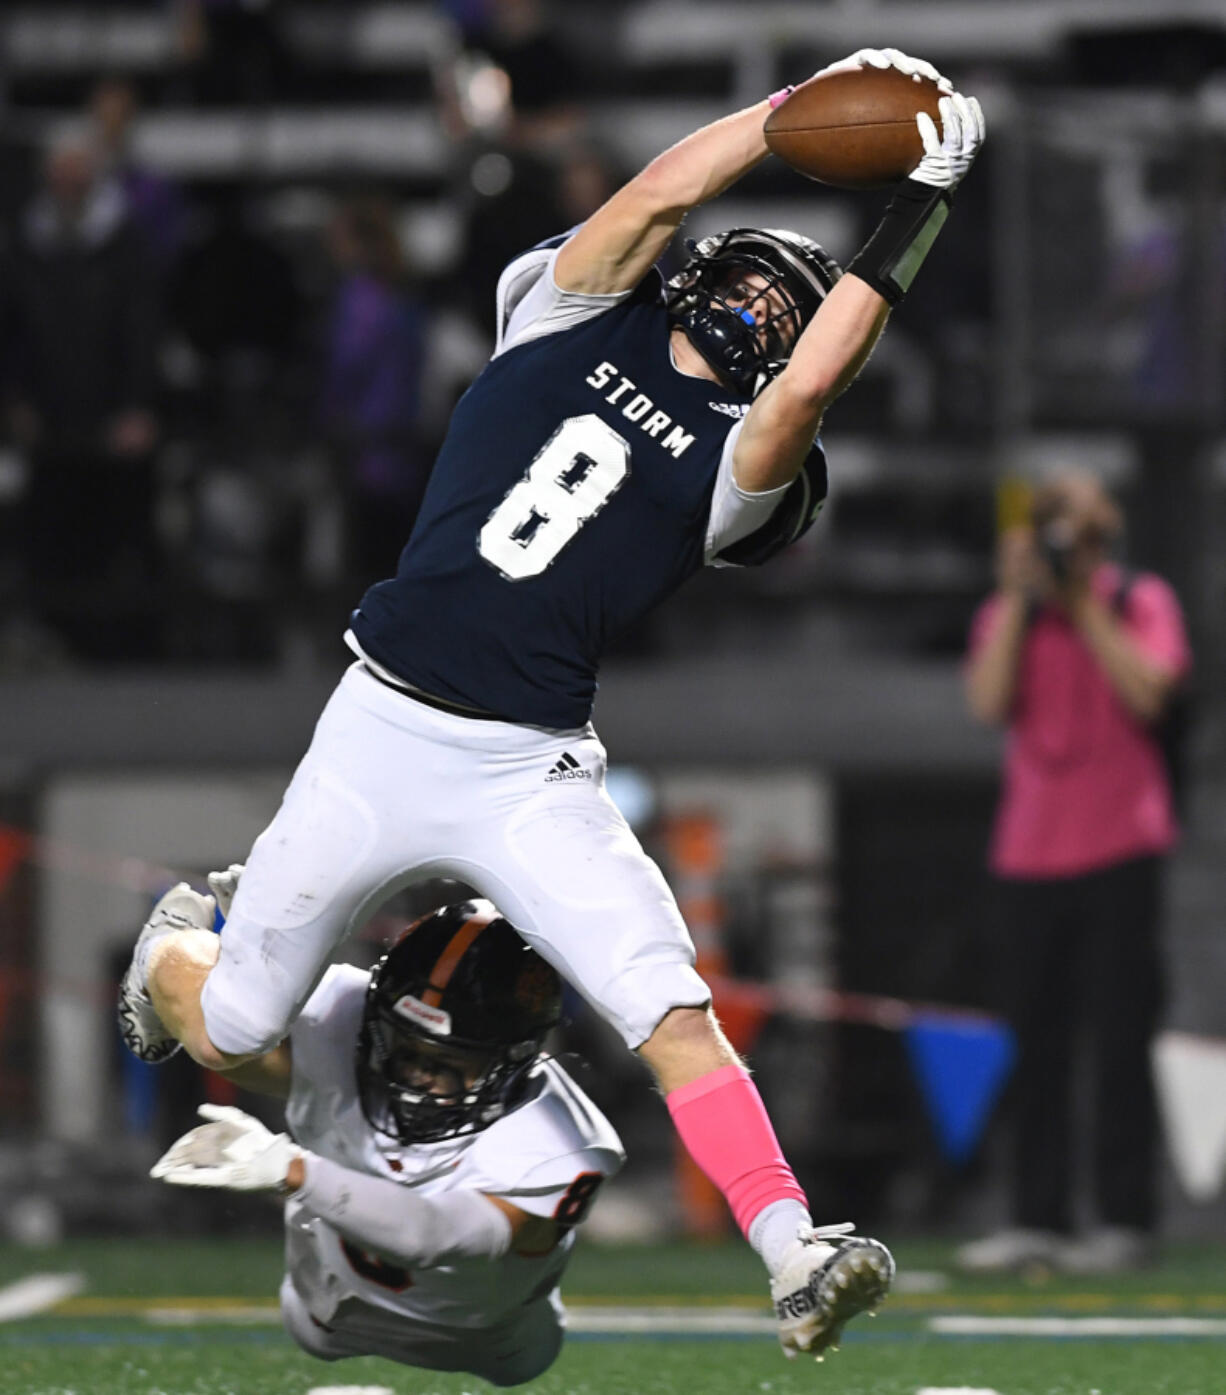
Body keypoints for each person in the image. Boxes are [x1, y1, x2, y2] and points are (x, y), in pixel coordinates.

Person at [119, 46, 985, 1358]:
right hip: (381, 722)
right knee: (231, 1021)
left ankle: (793, 1251)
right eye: (753, 270)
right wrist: (783, 118)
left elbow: (807, 385)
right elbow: (653, 197)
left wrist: (913, 204)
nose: (766, 302)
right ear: (689, 266)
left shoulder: (727, 470)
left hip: (524, 765)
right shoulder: (569, 309)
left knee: (667, 1006)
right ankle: (171, 943)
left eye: (791, 298)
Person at [150, 886, 622, 1385]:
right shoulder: (342, 1013)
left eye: (448, 1062)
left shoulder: (563, 1140)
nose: (418, 1075)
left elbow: (436, 1235)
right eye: (405, 1047)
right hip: (324, 1313)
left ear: (514, 1059)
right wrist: (193, 950)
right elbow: (216, 1037)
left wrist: (288, 1168)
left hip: (491, 1341)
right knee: (236, 1028)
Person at [959, 470, 1192, 1275]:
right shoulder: (1007, 613)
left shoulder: (1140, 601)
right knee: (1033, 1044)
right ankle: (1037, 1218)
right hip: (1028, 855)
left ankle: (1124, 1219)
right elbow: (988, 704)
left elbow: (1151, 692)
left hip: (1122, 849)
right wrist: (1024, 599)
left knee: (1120, 1041)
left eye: (1084, 533)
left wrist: (1085, 600)